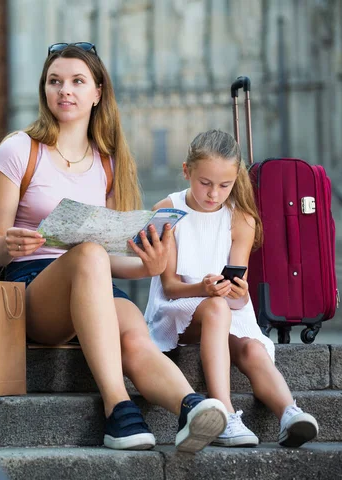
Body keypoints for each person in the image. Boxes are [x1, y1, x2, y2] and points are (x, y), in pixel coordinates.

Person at [0, 42, 227, 452]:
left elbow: (112, 258)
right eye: (55, 81)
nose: (65, 91)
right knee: (90, 254)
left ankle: (191, 408)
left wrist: (149, 266)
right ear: (44, 90)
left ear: (97, 92)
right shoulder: (19, 149)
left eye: (77, 81)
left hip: (92, 285)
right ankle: (118, 409)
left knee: (132, 331)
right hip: (31, 291)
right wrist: (9, 245)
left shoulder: (108, 161)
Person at [144, 129, 319, 448]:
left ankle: (289, 413)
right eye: (205, 183)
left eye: (224, 185)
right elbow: (168, 287)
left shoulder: (241, 218)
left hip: (225, 308)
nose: (214, 194)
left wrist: (235, 290)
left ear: (234, 179)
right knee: (215, 308)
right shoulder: (167, 210)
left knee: (252, 347)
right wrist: (203, 288)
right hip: (178, 312)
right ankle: (224, 411)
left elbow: (240, 291)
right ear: (187, 171)